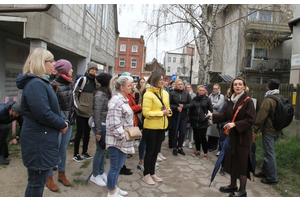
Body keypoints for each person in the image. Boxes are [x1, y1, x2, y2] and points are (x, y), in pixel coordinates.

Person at [16, 48, 69, 197]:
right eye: (50, 61)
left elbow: (53, 109)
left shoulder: (42, 82)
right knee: (36, 184)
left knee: (38, 183)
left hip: (42, 139)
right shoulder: (36, 84)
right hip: (38, 141)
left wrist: (63, 120)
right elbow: (43, 113)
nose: (54, 64)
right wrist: (61, 124)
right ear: (40, 63)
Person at [205, 77, 256, 197]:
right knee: (232, 161)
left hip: (242, 136)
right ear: (232, 87)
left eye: (240, 84)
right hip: (232, 136)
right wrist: (212, 115)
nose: (237, 86)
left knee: (242, 164)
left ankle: (242, 191)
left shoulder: (248, 101)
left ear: (244, 86)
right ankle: (233, 185)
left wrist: (235, 124)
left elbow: (251, 119)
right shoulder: (230, 101)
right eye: (235, 85)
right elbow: (225, 115)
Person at [45, 59, 76, 192]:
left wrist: (71, 119)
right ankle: (49, 178)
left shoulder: (69, 84)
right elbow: (52, 108)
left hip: (68, 123)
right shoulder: (53, 85)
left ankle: (61, 175)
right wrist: (60, 122)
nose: (72, 70)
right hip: (57, 124)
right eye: (70, 68)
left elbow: (69, 105)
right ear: (64, 70)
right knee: (53, 150)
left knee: (62, 149)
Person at [105, 75, 135, 197]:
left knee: (118, 167)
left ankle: (114, 188)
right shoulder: (116, 101)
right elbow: (113, 124)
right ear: (122, 87)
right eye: (129, 86)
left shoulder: (122, 99)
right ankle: (111, 193)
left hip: (122, 140)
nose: (131, 88)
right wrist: (124, 137)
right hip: (117, 141)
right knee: (115, 167)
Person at [142, 71, 172, 185]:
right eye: (160, 80)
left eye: (163, 79)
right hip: (150, 128)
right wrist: (161, 113)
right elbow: (146, 112)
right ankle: (146, 174)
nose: (162, 81)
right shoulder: (147, 94)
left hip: (162, 127)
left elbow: (167, 108)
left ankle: (152, 172)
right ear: (154, 80)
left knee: (156, 151)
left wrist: (168, 112)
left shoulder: (165, 93)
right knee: (149, 151)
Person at [253, 79, 282, 185]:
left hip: (269, 130)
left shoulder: (268, 99)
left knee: (269, 153)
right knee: (268, 152)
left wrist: (255, 129)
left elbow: (262, 116)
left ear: (268, 87)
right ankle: (265, 171)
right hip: (277, 130)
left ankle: (272, 177)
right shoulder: (280, 97)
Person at [89, 73, 112, 187]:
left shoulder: (105, 93)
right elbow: (97, 114)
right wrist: (98, 131)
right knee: (100, 150)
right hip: (100, 125)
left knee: (104, 150)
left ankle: (101, 172)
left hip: (105, 125)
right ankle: (95, 175)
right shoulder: (99, 95)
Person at [73, 61, 98, 162]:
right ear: (88, 69)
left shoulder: (96, 82)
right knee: (79, 133)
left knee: (87, 134)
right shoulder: (82, 79)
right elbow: (74, 93)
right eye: (92, 69)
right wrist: (78, 107)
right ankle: (76, 154)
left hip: (90, 113)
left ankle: (85, 152)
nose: (93, 71)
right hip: (81, 112)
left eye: (95, 69)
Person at [169, 79, 192, 156]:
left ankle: (180, 147)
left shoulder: (186, 94)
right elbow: (169, 104)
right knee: (174, 132)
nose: (180, 85)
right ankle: (174, 147)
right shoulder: (172, 93)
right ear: (175, 85)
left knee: (182, 132)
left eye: (181, 84)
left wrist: (184, 106)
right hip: (174, 116)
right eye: (178, 84)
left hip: (183, 116)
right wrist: (176, 108)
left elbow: (191, 104)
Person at [189, 85, 212, 159]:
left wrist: (208, 116)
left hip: (203, 121)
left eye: (203, 90)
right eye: (200, 90)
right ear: (198, 91)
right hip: (195, 120)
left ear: (205, 91)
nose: (201, 91)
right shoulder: (194, 99)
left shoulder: (207, 99)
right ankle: (198, 150)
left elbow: (210, 109)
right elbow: (191, 110)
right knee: (196, 137)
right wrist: (190, 120)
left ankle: (205, 152)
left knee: (202, 137)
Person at [217, 88, 231, 174]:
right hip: (226, 129)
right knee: (224, 149)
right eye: (228, 93)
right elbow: (221, 115)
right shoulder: (226, 104)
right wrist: (225, 124)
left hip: (236, 129)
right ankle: (223, 167)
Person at [206, 84, 224, 152]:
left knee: (215, 132)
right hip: (211, 114)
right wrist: (214, 104)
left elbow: (218, 105)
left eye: (216, 89)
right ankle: (209, 145)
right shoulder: (211, 95)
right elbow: (209, 103)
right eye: (214, 88)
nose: (214, 90)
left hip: (217, 115)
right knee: (210, 131)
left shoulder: (221, 96)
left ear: (219, 89)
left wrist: (211, 104)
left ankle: (214, 146)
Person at [183, 84, 196, 149]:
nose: (189, 88)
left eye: (190, 87)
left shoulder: (194, 95)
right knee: (185, 128)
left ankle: (190, 141)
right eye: (187, 87)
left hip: (191, 113)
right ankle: (185, 140)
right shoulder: (184, 94)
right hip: (185, 112)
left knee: (190, 129)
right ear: (185, 88)